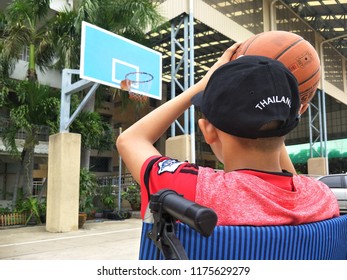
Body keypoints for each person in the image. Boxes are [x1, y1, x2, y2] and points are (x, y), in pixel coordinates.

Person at [116, 43, 339, 226]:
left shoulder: (192, 189)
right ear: (293, 121)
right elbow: (294, 182)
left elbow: (130, 139)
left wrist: (203, 84)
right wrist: (275, 101)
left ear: (208, 131)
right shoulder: (320, 198)